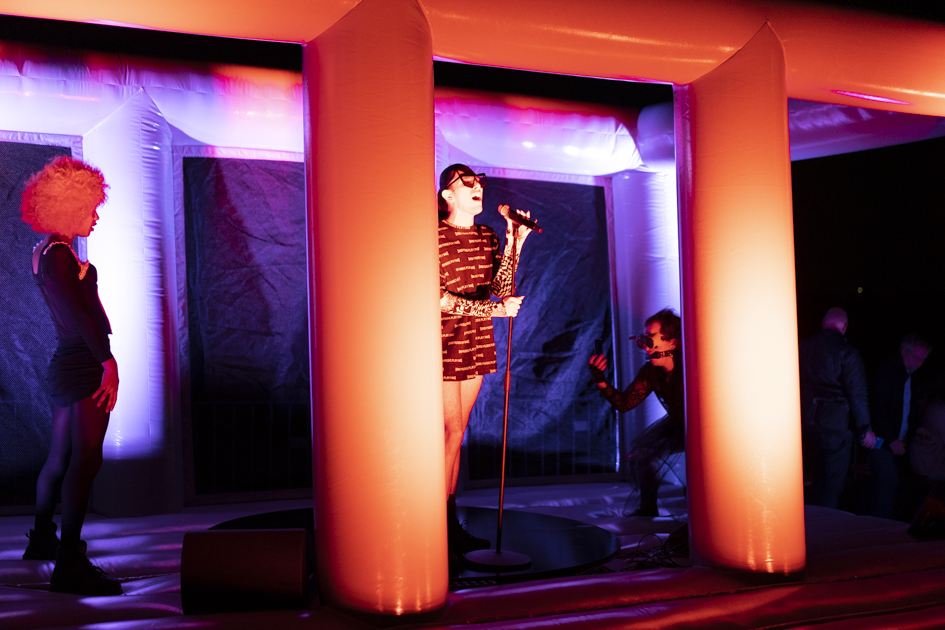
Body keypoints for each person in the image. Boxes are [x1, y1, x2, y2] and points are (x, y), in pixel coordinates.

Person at [20, 156, 121, 596]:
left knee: (60, 456)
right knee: (86, 459)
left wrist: (86, 276)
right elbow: (81, 317)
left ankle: (43, 539)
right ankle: (68, 565)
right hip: (82, 362)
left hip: (67, 361)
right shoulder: (60, 255)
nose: (95, 216)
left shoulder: (46, 253)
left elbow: (76, 308)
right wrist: (108, 363)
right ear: (69, 206)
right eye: (90, 208)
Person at [437, 164, 532, 556]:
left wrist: (514, 241)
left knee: (457, 434)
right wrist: (495, 311)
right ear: (448, 194)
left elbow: (500, 287)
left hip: (475, 340)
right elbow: (439, 299)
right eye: (468, 182)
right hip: (442, 340)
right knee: (447, 433)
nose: (477, 186)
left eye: (479, 182)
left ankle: (448, 524)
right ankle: (435, 524)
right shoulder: (432, 235)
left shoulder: (486, 235)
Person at [588, 308, 683, 517]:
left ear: (673, 343)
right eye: (643, 340)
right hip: (678, 425)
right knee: (642, 455)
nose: (646, 347)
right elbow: (624, 403)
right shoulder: (651, 372)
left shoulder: (689, 369)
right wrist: (601, 380)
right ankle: (648, 508)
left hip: (703, 429)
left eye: (650, 339)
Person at [798, 307, 876, 509]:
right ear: (845, 326)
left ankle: (808, 523)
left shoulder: (803, 347)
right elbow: (858, 394)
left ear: (823, 323)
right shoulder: (848, 352)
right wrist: (865, 428)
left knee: (811, 481)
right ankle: (826, 525)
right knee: (831, 486)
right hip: (835, 427)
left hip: (805, 423)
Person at [862, 333, 932, 520]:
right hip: (878, 439)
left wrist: (917, 428)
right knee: (888, 480)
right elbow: (878, 409)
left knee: (882, 481)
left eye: (923, 359)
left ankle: (866, 521)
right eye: (916, 357)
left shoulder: (909, 376)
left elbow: (908, 408)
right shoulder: (888, 372)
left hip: (890, 440)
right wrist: (891, 439)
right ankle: (882, 526)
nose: (919, 363)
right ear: (904, 351)